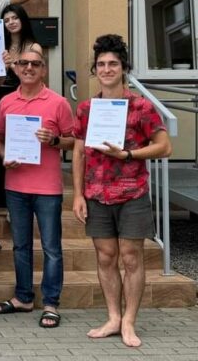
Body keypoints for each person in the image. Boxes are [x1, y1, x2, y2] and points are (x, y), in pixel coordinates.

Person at [72, 34, 172, 348]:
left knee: (131, 257)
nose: (106, 69)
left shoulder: (141, 106)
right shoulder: (87, 109)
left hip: (132, 193)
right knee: (105, 257)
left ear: (124, 68)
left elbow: (164, 146)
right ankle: (113, 317)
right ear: (95, 69)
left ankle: (129, 321)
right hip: (96, 194)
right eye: (101, 64)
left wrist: (128, 154)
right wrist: (78, 194)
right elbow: (78, 152)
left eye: (113, 63)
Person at [0, 49, 74, 329]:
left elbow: (74, 141)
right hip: (16, 185)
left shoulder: (59, 102)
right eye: (23, 63)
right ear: (16, 68)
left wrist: (54, 140)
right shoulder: (5, 102)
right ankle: (23, 297)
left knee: (51, 248)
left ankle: (51, 303)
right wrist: (4, 154)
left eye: (35, 64)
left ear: (43, 69)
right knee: (20, 246)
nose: (29, 68)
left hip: (48, 188)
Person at [0, 4, 43, 209]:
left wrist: (12, 64)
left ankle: (21, 196)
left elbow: (32, 77)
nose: (11, 22)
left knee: (19, 144)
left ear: (22, 19)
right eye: (7, 20)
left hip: (23, 97)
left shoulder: (33, 47)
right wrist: (1, 67)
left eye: (14, 18)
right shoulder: (0, 46)